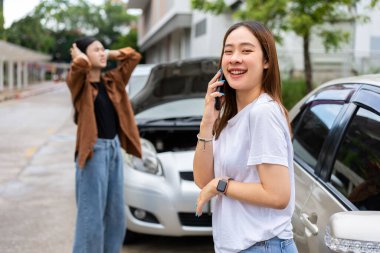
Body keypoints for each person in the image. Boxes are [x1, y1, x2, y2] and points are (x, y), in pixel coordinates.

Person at [193, 21, 298, 253]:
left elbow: (278, 194)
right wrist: (207, 121)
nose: (235, 58)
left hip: (262, 246)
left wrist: (220, 186)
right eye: (228, 51)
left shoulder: (263, 112)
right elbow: (203, 179)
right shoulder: (231, 117)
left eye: (246, 50)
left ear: (266, 61)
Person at [66, 36, 142, 253]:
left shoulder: (112, 80)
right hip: (93, 152)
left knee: (116, 216)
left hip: (113, 150)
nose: (102, 53)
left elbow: (133, 56)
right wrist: (80, 58)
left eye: (103, 49)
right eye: (96, 50)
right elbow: (79, 68)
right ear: (82, 55)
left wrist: (108, 53)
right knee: (91, 217)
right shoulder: (79, 83)